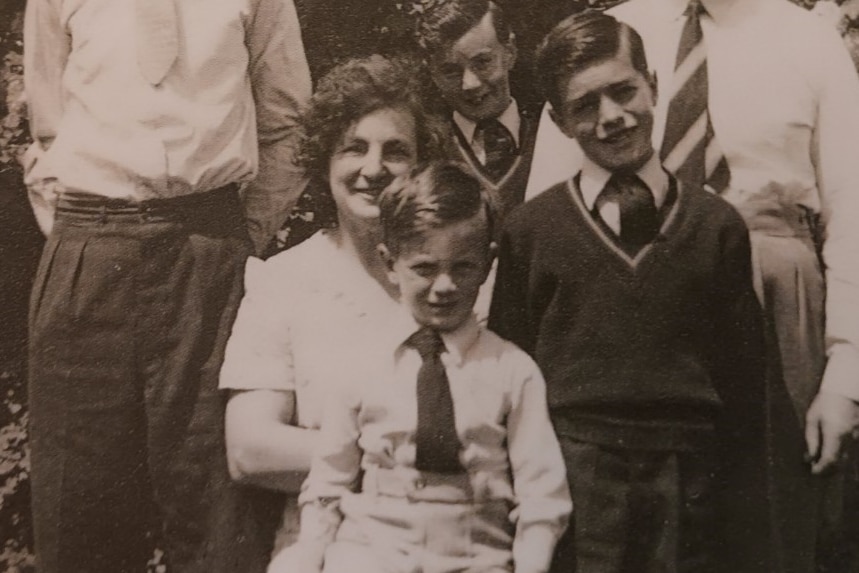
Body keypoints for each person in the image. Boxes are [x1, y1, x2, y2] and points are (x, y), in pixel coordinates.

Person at [524, 1, 859, 570]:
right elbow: (549, 218)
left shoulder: (807, 39)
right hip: (632, 311)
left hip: (774, 302)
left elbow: (853, 210)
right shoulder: (616, 34)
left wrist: (845, 375)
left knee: (770, 521)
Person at [22, 0, 311, 570]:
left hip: (207, 252)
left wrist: (238, 235)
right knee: (79, 511)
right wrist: (90, 234)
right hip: (88, 252)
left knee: (218, 512)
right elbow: (50, 128)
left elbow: (289, 122)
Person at [490, 12, 769, 572]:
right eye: (585, 105)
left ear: (655, 87)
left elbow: (746, 394)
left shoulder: (717, 227)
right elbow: (503, 383)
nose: (611, 118)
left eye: (624, 92)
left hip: (691, 486)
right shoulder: (531, 232)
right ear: (559, 121)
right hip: (576, 485)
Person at [218, 55, 448, 570]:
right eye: (354, 148)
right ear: (325, 160)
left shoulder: (455, 277)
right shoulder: (282, 280)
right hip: (329, 547)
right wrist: (397, 455)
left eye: (396, 151)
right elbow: (250, 449)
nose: (373, 169)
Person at [292, 160, 571, 573]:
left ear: (488, 264)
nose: (444, 286)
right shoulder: (359, 367)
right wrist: (308, 557)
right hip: (370, 553)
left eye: (463, 267)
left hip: (476, 554)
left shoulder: (513, 371)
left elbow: (542, 498)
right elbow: (328, 484)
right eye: (424, 267)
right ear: (390, 263)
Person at [417, 0, 539, 218]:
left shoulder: (552, 138)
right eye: (451, 71)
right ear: (433, 74)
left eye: (482, 62)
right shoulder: (426, 152)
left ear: (510, 53)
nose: (470, 84)